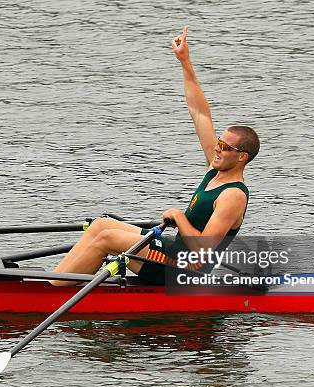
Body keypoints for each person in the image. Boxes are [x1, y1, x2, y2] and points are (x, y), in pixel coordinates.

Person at [51, 26, 260, 286]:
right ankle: (54, 283)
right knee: (101, 225)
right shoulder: (214, 168)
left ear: (242, 157)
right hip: (173, 252)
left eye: (226, 147)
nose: (218, 148)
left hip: (186, 269)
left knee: (108, 239)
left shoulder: (233, 196)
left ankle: (50, 293)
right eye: (219, 142)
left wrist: (180, 217)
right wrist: (185, 62)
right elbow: (200, 114)